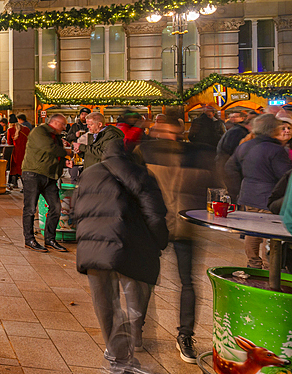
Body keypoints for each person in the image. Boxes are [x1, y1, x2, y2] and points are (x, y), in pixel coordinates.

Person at [74, 139, 169, 374]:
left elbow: (74, 207)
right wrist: (159, 243)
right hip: (130, 245)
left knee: (104, 301)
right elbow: (155, 214)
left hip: (92, 247)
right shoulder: (141, 174)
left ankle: (117, 356)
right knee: (136, 297)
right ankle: (129, 344)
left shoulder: (89, 173)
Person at [142, 116, 215, 364]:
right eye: (163, 130)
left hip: (185, 227)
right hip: (154, 225)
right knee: (145, 277)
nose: (168, 135)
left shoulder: (197, 155)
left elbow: (217, 186)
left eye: (172, 131)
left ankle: (185, 334)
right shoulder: (145, 151)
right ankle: (137, 327)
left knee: (187, 282)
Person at [225, 113, 292, 268]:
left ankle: (253, 263)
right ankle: (270, 267)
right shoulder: (275, 150)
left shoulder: (245, 145)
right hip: (268, 197)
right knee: (269, 234)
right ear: (272, 129)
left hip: (248, 195)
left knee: (252, 231)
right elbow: (285, 176)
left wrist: (238, 188)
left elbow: (229, 168)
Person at [21, 114, 70, 252]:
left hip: (49, 176)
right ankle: (29, 239)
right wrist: (68, 153)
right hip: (33, 174)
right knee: (30, 208)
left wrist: (65, 162)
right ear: (54, 122)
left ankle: (50, 239)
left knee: (56, 207)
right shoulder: (39, 131)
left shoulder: (57, 137)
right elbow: (50, 149)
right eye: (63, 124)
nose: (64, 127)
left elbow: (55, 156)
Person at [216, 109, 250, 183]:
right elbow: (230, 148)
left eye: (235, 117)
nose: (232, 118)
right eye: (231, 117)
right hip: (228, 163)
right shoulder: (238, 131)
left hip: (224, 162)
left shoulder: (235, 129)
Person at [6, 116, 30, 191]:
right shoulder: (26, 129)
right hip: (27, 151)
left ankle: (14, 184)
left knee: (15, 168)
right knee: (24, 168)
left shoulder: (10, 130)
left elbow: (9, 143)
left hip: (16, 152)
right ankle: (26, 186)